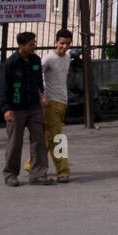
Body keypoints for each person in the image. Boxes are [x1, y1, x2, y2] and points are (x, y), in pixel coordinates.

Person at [0, 31, 52, 186]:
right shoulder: (11, 63)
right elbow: (4, 88)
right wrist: (6, 109)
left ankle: (38, 174)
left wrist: (42, 96)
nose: (33, 46)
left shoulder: (36, 60)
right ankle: (10, 174)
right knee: (15, 143)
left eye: (34, 43)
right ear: (21, 45)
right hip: (16, 109)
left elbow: (37, 82)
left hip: (34, 107)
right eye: (31, 44)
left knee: (38, 140)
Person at [42, 29, 74, 182]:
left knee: (49, 137)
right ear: (56, 42)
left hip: (62, 101)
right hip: (50, 102)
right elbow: (36, 76)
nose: (64, 46)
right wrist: (41, 96)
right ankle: (63, 171)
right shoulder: (48, 59)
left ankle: (32, 164)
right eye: (62, 43)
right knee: (58, 137)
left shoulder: (67, 58)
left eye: (67, 44)